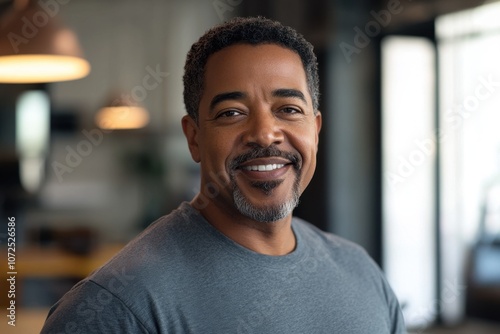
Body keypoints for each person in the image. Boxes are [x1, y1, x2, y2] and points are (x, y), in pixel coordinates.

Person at [41, 16, 406, 333]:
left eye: (289, 109)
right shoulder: (116, 308)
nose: (265, 133)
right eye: (232, 112)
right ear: (194, 137)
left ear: (316, 129)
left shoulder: (362, 273)